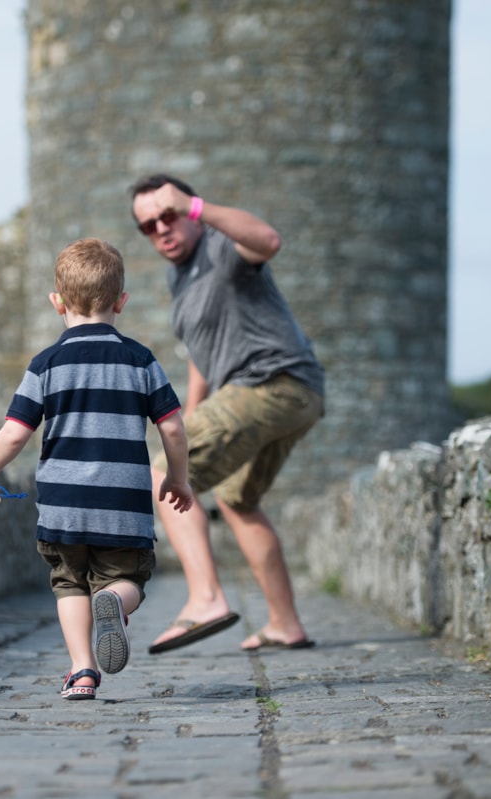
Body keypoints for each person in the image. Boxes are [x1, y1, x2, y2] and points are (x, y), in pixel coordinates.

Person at [0, 237, 194, 700]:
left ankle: (82, 671)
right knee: (126, 578)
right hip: (122, 506)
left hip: (63, 507)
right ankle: (116, 601)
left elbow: (15, 433)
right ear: (121, 301)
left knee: (69, 583)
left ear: (57, 303)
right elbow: (172, 427)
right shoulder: (141, 361)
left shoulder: (46, 364)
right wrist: (178, 477)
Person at [129, 174, 326, 654]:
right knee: (238, 500)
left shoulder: (221, 245)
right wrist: (190, 417)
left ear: (188, 211)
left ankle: (206, 598)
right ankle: (285, 624)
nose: (161, 230)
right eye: (149, 226)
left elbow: (269, 240)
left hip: (269, 383)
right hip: (293, 393)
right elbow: (204, 352)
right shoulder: (181, 275)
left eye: (168, 216)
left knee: (166, 475)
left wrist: (197, 207)